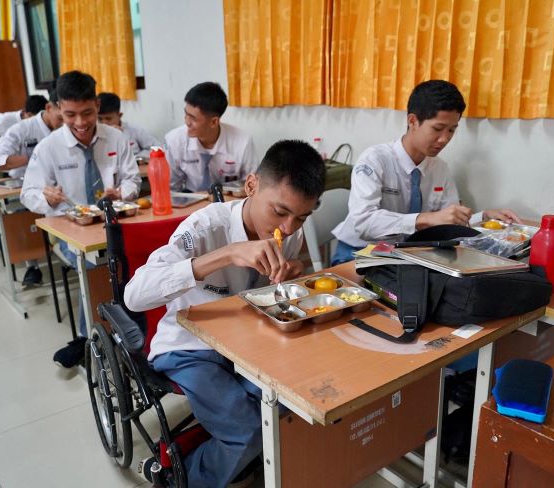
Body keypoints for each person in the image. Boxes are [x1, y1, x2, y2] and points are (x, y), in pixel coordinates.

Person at [124, 139, 326, 487]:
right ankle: (179, 476)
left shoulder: (290, 231)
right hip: (189, 348)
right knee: (248, 431)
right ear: (251, 185)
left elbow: (294, 271)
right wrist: (227, 254)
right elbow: (134, 295)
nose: (290, 227)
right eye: (279, 212)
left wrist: (295, 270)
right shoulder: (205, 228)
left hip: (250, 344)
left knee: (297, 405)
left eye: (302, 217)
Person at [20, 70, 141, 367]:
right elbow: (28, 193)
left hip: (113, 224)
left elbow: (133, 180)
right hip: (67, 233)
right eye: (70, 114)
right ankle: (92, 339)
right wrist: (44, 197)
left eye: (87, 113)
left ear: (97, 105)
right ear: (58, 108)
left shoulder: (116, 138)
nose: (80, 123)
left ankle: (136, 329)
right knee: (98, 264)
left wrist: (121, 192)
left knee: (138, 257)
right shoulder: (49, 148)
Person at [331, 79, 521, 264]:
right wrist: (426, 219)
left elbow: (449, 220)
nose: (444, 139)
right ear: (413, 121)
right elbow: (363, 223)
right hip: (358, 253)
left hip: (402, 255)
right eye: (438, 129)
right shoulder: (374, 160)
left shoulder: (439, 168)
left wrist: (484, 217)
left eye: (451, 130)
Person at [0, 89, 63, 286]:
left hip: (61, 186)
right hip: (28, 183)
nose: (66, 123)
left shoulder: (70, 128)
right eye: (61, 117)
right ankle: (33, 265)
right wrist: (33, 159)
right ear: (49, 108)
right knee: (26, 212)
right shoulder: (22, 130)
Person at [165, 82, 256, 192]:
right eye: (186, 114)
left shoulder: (242, 142)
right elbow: (171, 189)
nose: (187, 122)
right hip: (192, 201)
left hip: (230, 202)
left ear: (214, 122)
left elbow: (253, 187)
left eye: (193, 118)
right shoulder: (175, 140)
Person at [97, 91, 161, 159]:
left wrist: (139, 157)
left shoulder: (134, 130)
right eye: (100, 119)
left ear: (119, 116)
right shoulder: (94, 135)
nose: (104, 123)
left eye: (108, 119)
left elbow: (158, 148)